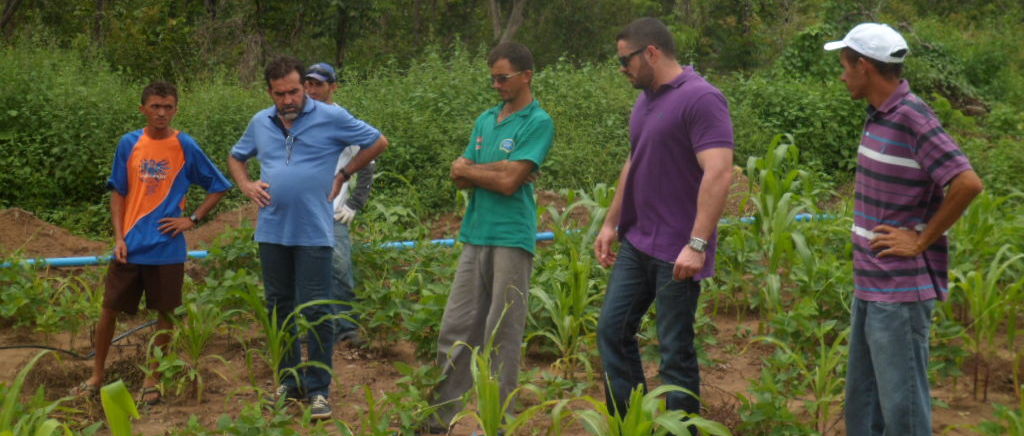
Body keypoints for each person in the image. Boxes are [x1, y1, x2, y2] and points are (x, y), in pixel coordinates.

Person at [823, 23, 983, 435]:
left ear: (864, 66)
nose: (841, 75)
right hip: (870, 286)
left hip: (899, 293)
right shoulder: (879, 115)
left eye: (844, 65)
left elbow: (967, 183)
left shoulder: (912, 117)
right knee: (863, 406)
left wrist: (921, 240)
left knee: (903, 412)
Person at [228, 56, 388, 420]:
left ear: (305, 88)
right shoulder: (260, 122)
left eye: (295, 91)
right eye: (280, 93)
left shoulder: (330, 117)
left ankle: (318, 388)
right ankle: (287, 381)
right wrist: (246, 184)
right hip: (271, 231)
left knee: (317, 311)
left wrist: (345, 173)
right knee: (279, 307)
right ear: (270, 92)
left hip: (315, 232)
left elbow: (378, 142)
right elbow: (237, 157)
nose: (288, 100)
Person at [593, 17, 734, 423]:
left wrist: (698, 243)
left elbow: (719, 171)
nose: (622, 69)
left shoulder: (702, 98)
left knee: (674, 351)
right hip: (638, 242)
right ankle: (632, 426)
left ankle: (680, 431)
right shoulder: (646, 99)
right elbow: (634, 161)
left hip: (679, 249)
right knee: (612, 331)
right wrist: (610, 223)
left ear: (650, 52)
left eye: (625, 61)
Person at [72, 81, 232, 406]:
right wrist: (118, 237)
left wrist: (193, 219)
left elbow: (219, 185)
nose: (162, 113)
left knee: (166, 313)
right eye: (155, 106)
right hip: (130, 245)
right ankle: (97, 375)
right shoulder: (129, 144)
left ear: (176, 109)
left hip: (167, 248)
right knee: (108, 310)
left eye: (168, 106)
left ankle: (153, 377)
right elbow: (119, 191)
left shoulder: (185, 146)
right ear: (143, 108)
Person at [423, 41, 555, 434]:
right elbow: (457, 172)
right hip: (475, 233)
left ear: (526, 75)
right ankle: (438, 419)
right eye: (493, 78)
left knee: (503, 333)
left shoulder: (538, 121)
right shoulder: (486, 120)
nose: (496, 85)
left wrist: (487, 171)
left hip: (512, 237)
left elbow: (511, 182)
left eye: (503, 78)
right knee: (456, 329)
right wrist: (496, 171)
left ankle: (500, 423)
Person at [301, 62, 376, 346]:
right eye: (308, 84)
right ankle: (316, 328)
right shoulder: (298, 120)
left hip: (333, 212)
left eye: (319, 84)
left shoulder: (342, 121)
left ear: (333, 87)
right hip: (303, 213)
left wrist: (356, 203)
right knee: (307, 273)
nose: (312, 90)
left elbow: (368, 157)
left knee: (339, 268)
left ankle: (346, 328)